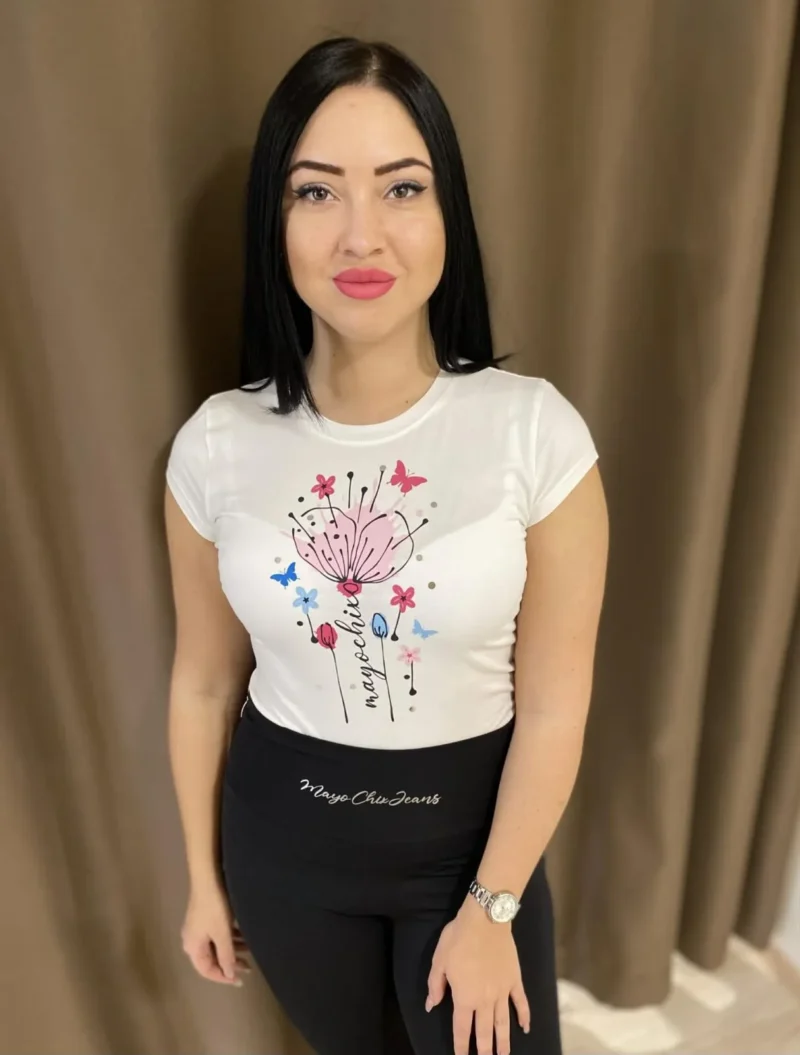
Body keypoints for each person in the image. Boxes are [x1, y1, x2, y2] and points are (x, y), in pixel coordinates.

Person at [164, 34, 608, 1055]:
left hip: (467, 858)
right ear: (274, 220)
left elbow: (554, 703)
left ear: (448, 211)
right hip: (284, 855)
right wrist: (201, 875)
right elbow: (202, 682)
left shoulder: (535, 432)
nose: (360, 235)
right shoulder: (213, 445)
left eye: (401, 188)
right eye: (316, 192)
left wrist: (493, 908)